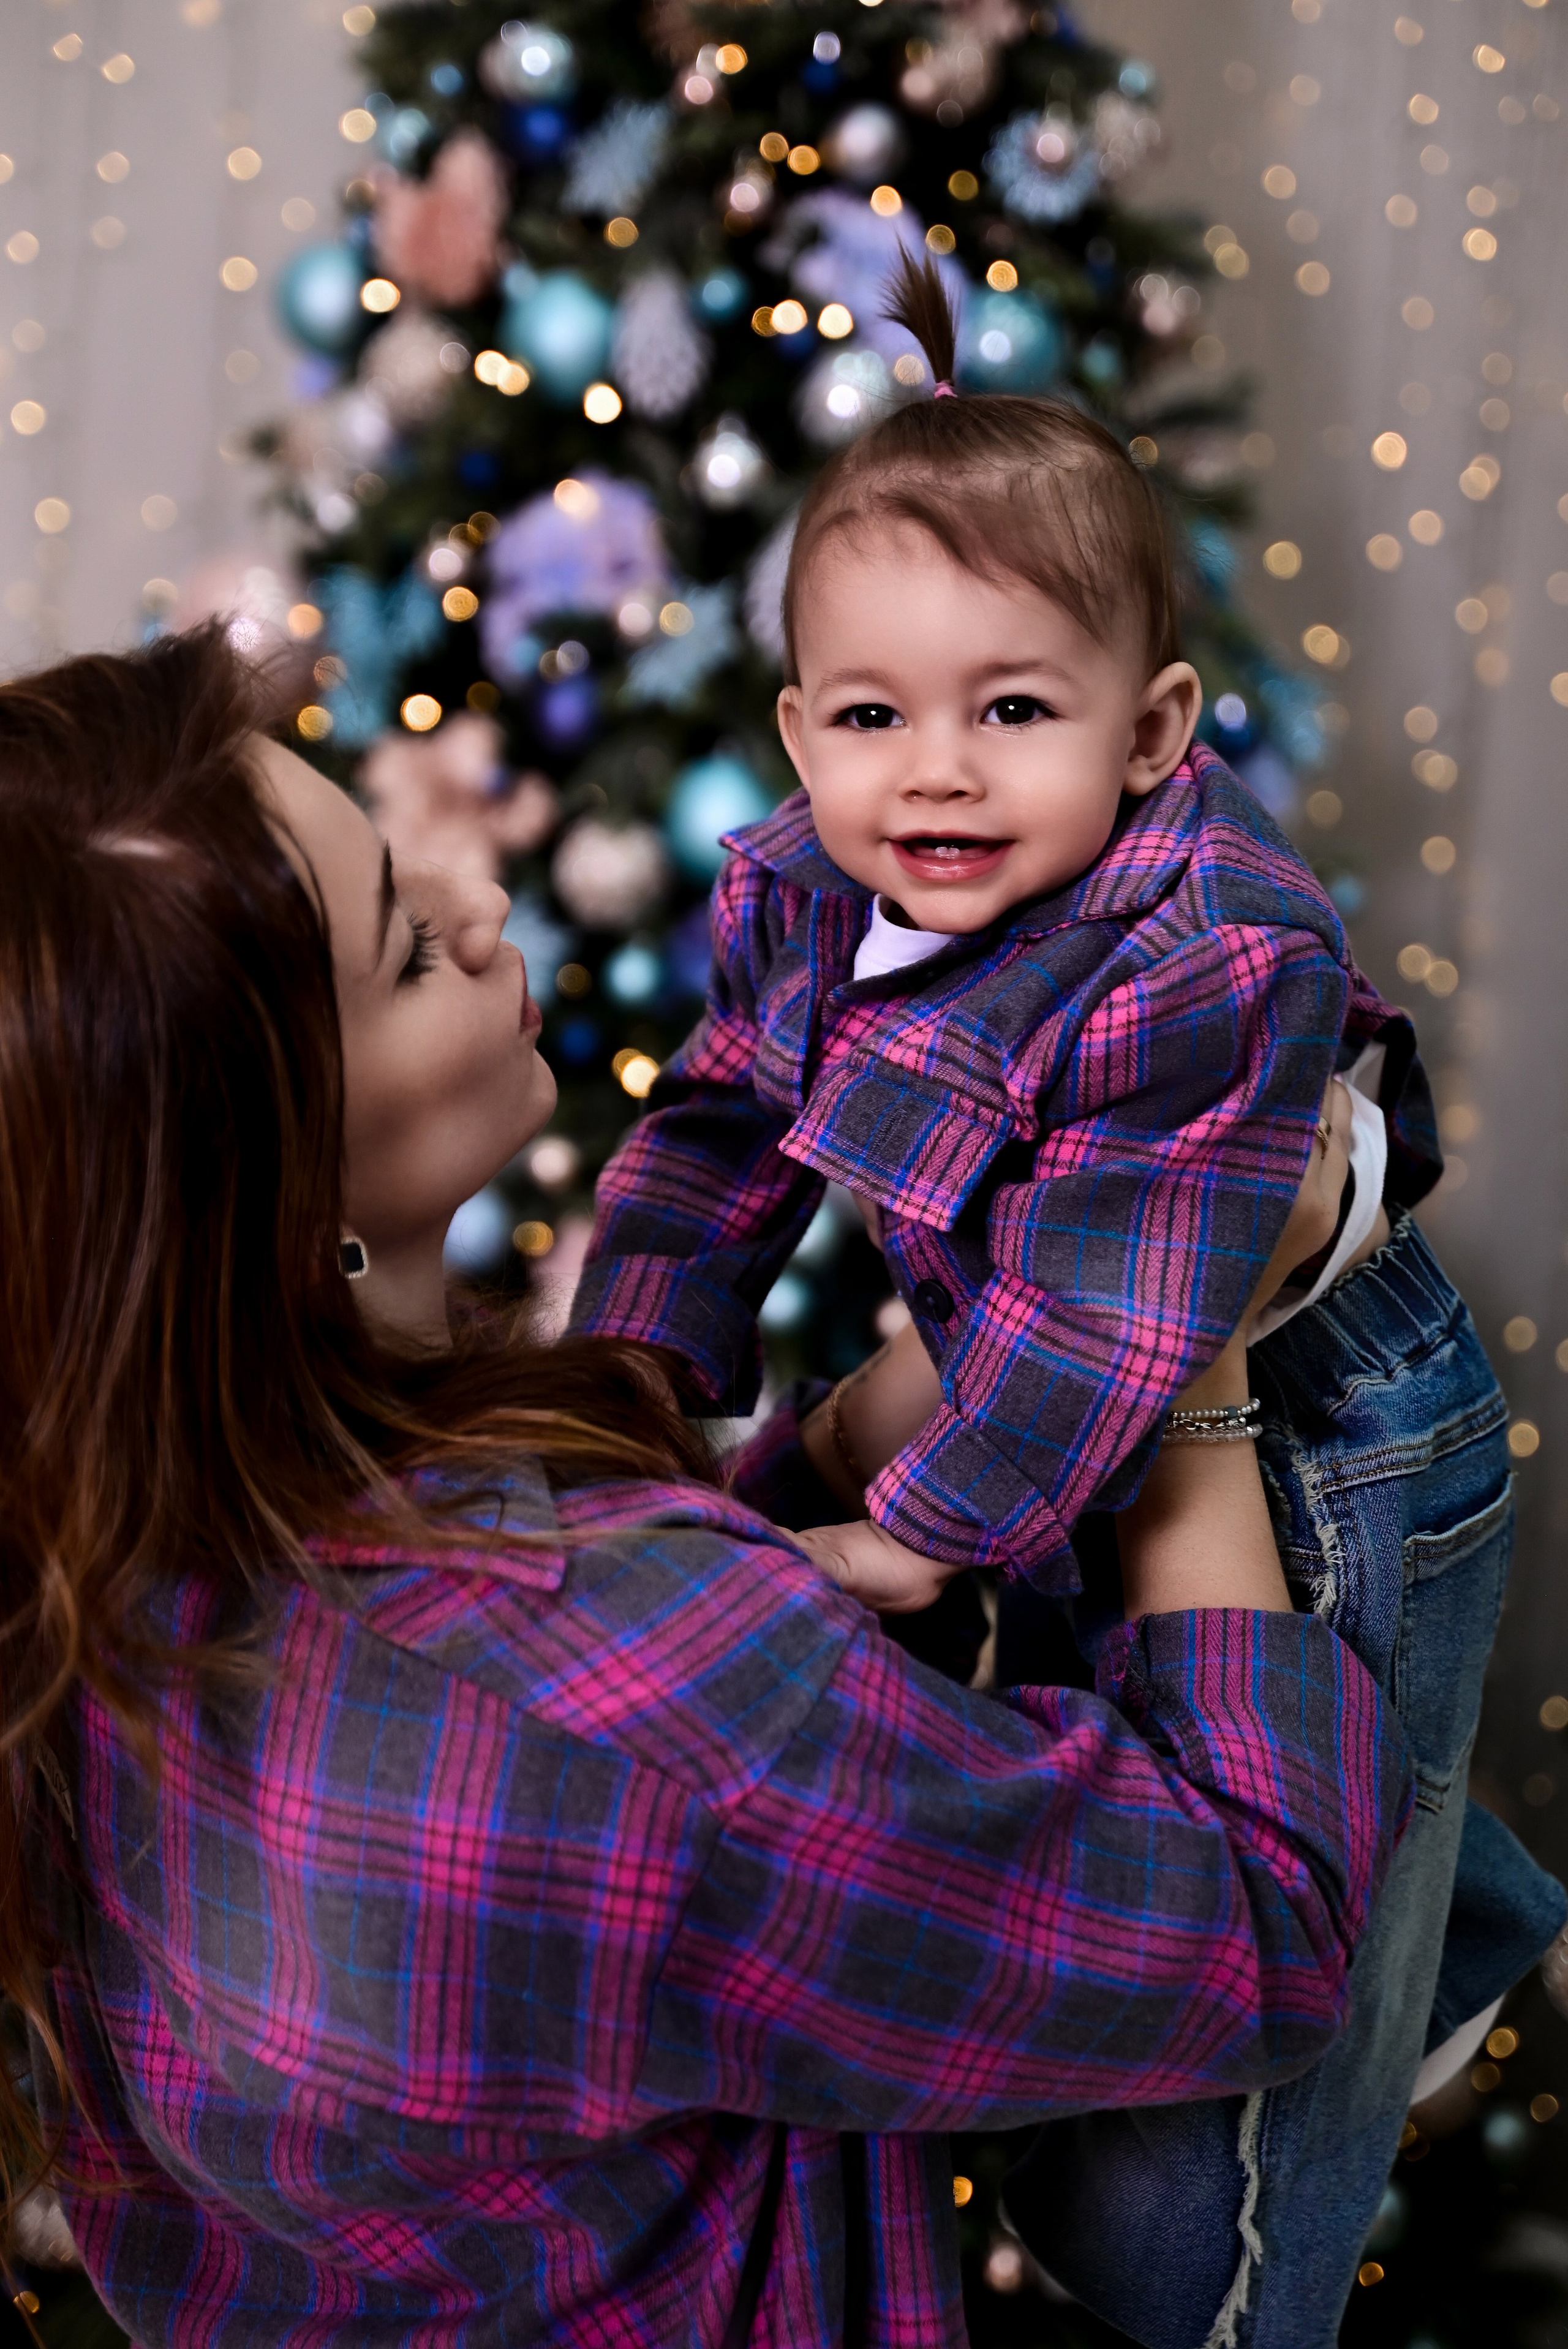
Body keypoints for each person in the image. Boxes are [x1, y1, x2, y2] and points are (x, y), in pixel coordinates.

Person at [0, 629, 1410, 2348]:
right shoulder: (599, 1692)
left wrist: (867, 1430)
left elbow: (653, 1717)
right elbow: (1253, 1926)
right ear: (277, 1202)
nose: (468, 897)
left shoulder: (87, 1571)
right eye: (399, 945)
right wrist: (1178, 1344)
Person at [568, 254, 1565, 2347]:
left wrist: (914, 1526)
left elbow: (1112, 1323)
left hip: (1316, 1420)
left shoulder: (1205, 950)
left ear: (1153, 730)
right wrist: (632, 1374)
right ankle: (1468, 1922)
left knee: (1314, 1810)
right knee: (1202, 1718)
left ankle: (1394, 1987)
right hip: (1069, 1372)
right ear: (795, 728)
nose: (934, 773)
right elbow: (718, 1137)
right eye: (872, 716)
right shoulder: (794, 888)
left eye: (1014, 709)